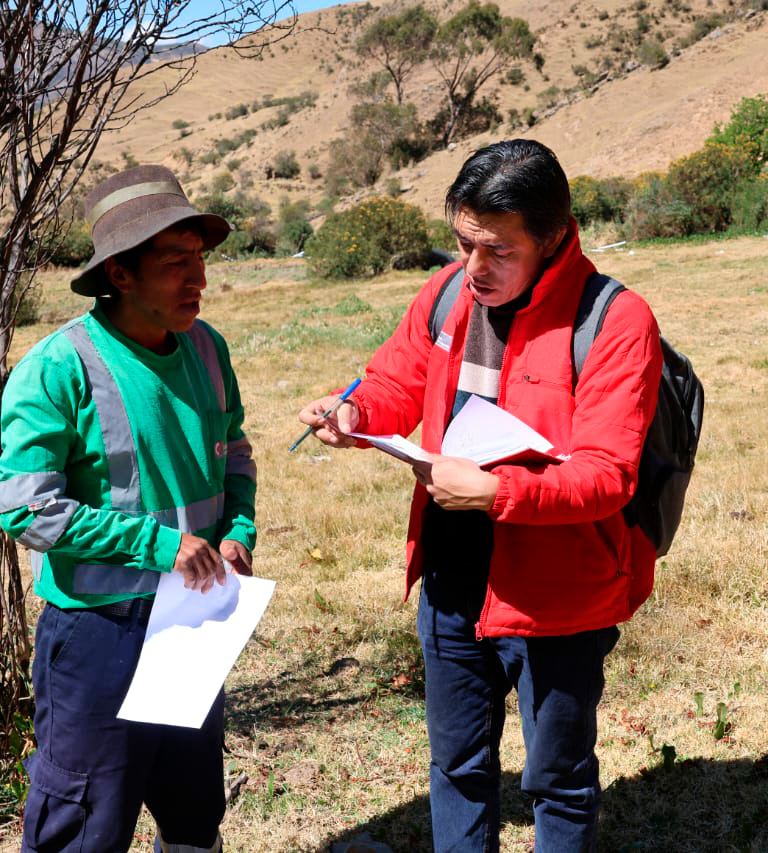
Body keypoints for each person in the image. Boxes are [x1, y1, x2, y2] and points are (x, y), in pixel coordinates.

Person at [298, 139, 663, 852]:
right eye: (464, 243)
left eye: (498, 250)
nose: (474, 267)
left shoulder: (615, 321)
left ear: (551, 239)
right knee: (457, 767)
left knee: (558, 780)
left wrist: (498, 492)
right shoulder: (445, 295)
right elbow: (395, 380)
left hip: (558, 595)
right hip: (450, 577)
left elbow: (606, 474)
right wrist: (355, 412)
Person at [0, 165, 257, 853]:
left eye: (199, 259)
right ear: (119, 273)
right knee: (84, 825)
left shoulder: (207, 349)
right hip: (98, 638)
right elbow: (25, 510)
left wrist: (237, 530)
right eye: (175, 263)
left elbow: (235, 454)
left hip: (192, 619)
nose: (198, 279)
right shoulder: (57, 368)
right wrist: (160, 545)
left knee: (193, 813)